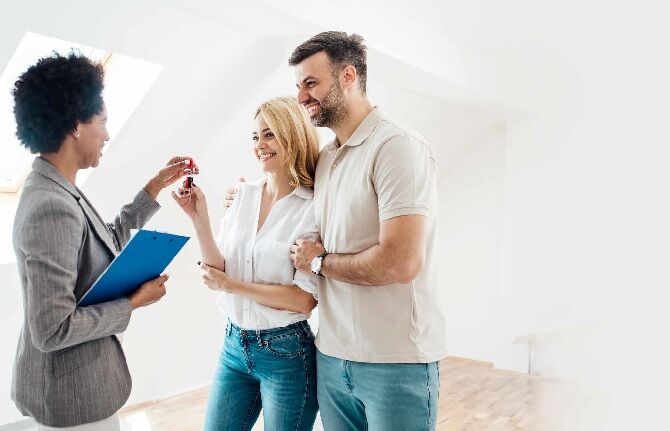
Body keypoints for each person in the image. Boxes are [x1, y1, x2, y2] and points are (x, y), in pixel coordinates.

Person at [227, 31, 448, 431]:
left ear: (348, 76)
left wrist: (319, 262)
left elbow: (401, 262)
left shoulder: (397, 146)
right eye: (298, 86)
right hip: (330, 356)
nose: (301, 97)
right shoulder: (327, 159)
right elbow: (288, 189)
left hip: (395, 362)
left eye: (311, 83)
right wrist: (243, 199)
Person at [10, 52, 191, 429]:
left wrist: (154, 187)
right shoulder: (51, 204)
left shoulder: (57, 186)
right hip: (71, 400)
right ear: (76, 125)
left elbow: (103, 238)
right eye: (103, 122)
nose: (108, 134)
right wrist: (133, 303)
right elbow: (52, 329)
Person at [172, 96, 320, 431]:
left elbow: (304, 299)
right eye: (255, 137)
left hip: (287, 355)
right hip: (234, 346)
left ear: (293, 136)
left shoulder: (312, 207)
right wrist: (200, 219)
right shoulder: (242, 195)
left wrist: (233, 286)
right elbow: (217, 271)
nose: (260, 145)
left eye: (269, 134)